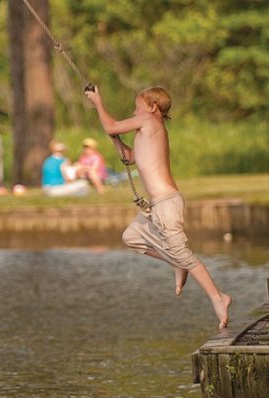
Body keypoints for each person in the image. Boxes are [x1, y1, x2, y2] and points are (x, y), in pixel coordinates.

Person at [85, 85, 231, 329]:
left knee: (183, 253)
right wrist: (116, 139)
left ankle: (219, 297)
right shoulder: (147, 131)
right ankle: (176, 263)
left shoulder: (150, 122)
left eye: (137, 107)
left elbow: (110, 124)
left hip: (166, 205)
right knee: (132, 237)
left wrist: (98, 103)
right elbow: (128, 158)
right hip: (157, 207)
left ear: (152, 108)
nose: (134, 111)